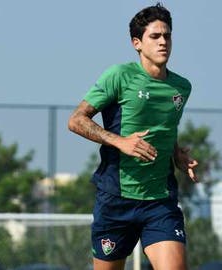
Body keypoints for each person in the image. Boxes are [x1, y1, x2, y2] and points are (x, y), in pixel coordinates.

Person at [68, 3, 198, 270]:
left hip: (160, 201)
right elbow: (76, 120)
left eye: (167, 36)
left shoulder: (181, 87)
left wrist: (177, 153)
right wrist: (120, 141)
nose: (163, 42)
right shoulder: (119, 76)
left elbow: (165, 127)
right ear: (137, 43)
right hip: (116, 200)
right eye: (155, 36)